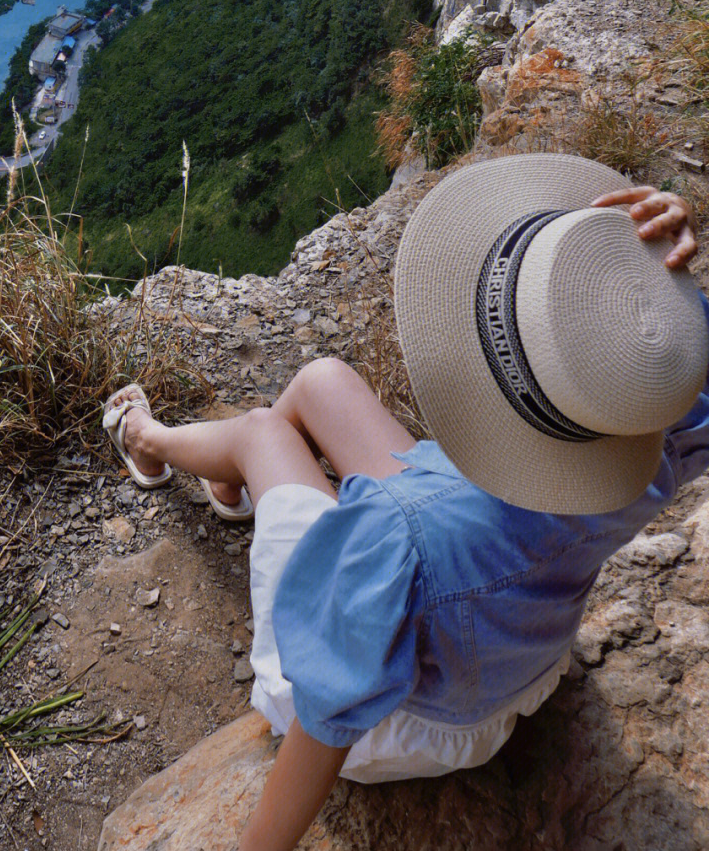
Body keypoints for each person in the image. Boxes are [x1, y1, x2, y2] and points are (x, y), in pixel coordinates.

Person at [102, 154, 709, 851]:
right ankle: (233, 490)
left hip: (413, 726)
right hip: (519, 663)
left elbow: (328, 713)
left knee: (264, 428)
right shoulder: (658, 432)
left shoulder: (399, 537)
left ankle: (148, 439)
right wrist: (661, 289)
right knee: (323, 380)